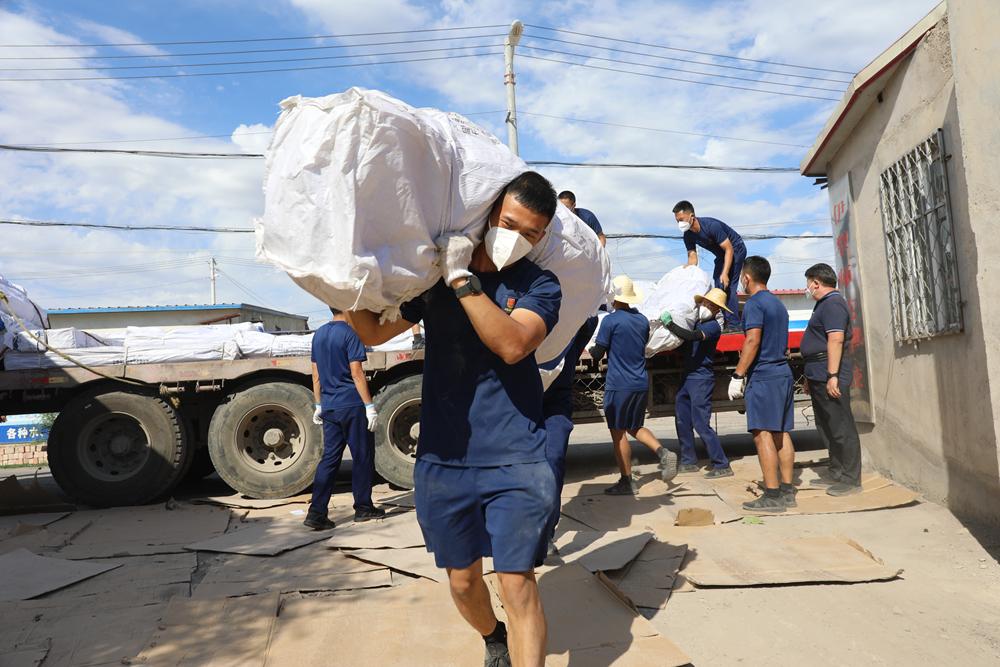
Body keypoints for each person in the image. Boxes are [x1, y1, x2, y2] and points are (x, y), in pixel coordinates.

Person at [347, 171, 562, 667]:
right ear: (489, 215)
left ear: (542, 237)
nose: (516, 237)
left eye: (530, 233)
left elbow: (512, 344)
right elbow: (375, 334)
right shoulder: (435, 282)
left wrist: (464, 281)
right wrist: (341, 284)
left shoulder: (539, 284)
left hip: (515, 455)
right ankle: (494, 637)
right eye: (509, 223)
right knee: (463, 581)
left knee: (518, 583)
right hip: (445, 456)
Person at [589, 275, 678, 495]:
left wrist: (588, 345)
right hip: (639, 381)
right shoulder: (641, 321)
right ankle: (663, 452)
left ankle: (626, 481)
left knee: (618, 432)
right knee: (634, 426)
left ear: (614, 297)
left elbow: (598, 353)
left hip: (619, 384)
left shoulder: (610, 321)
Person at [305, 308, 386, 530]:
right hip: (351, 404)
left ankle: (316, 512)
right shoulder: (350, 334)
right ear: (348, 309)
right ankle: (363, 507)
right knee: (362, 455)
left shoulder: (319, 334)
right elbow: (357, 373)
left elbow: (316, 373)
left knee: (329, 458)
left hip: (329, 406)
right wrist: (369, 406)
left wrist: (318, 403)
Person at [727, 256, 796, 513]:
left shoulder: (754, 304)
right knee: (781, 432)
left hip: (764, 375)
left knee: (762, 433)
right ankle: (787, 491)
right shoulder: (778, 304)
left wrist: (738, 375)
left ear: (746, 278)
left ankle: (772, 495)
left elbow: (752, 341)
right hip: (782, 372)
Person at [801, 263, 863, 496]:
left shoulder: (834, 304)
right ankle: (836, 471)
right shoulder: (823, 305)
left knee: (840, 425)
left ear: (816, 282)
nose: (807, 288)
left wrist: (832, 376)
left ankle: (851, 479)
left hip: (830, 371)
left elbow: (835, 340)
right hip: (817, 370)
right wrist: (811, 376)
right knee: (826, 425)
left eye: (808, 283)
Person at [658, 288, 733, 478]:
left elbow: (690, 337)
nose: (707, 307)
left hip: (701, 379)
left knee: (701, 423)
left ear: (718, 310)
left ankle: (722, 464)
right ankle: (689, 460)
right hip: (688, 376)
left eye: (712, 306)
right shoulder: (697, 322)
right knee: (682, 419)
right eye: (706, 303)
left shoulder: (712, 327)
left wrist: (669, 324)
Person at [541, 314, 598, 541]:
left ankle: (544, 536)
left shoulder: (582, 316)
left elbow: (588, 323)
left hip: (554, 401)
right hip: (520, 398)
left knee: (552, 464)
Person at [672, 200, 746, 331]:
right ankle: (725, 323)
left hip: (735, 249)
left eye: (681, 220)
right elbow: (692, 258)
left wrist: (725, 273)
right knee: (718, 286)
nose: (680, 224)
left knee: (727, 286)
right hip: (722, 255)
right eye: (677, 221)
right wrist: (688, 274)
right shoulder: (688, 235)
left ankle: (735, 325)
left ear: (691, 216)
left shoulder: (711, 226)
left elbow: (729, 249)